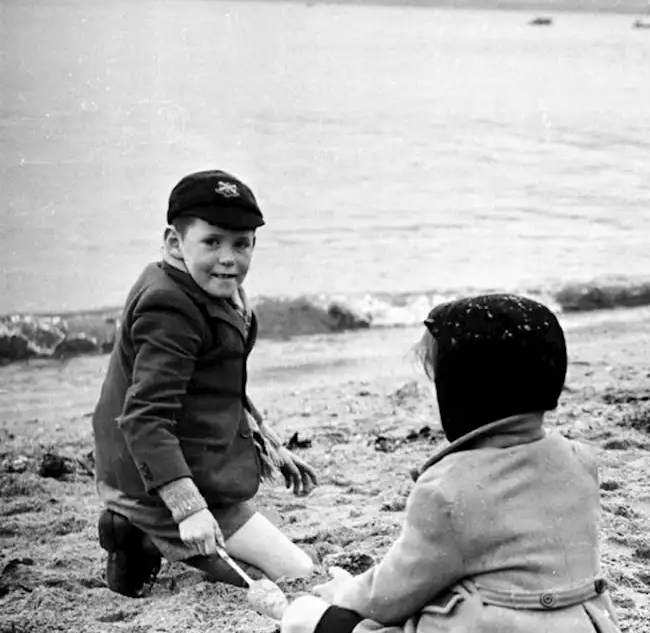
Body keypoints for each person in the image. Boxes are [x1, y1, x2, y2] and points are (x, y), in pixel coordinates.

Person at [263, 294, 620, 633]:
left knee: (305, 617)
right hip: (583, 623)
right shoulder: (580, 461)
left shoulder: (449, 490)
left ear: (463, 392)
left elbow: (393, 591)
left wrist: (343, 593)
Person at [92, 169, 318, 598]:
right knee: (287, 577)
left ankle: (139, 531)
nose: (229, 257)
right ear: (174, 243)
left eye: (242, 243)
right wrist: (187, 508)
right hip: (148, 472)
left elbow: (216, 382)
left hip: (193, 455)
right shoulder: (169, 309)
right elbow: (145, 417)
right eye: (211, 242)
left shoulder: (213, 290)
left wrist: (267, 440)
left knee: (288, 572)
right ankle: (136, 529)